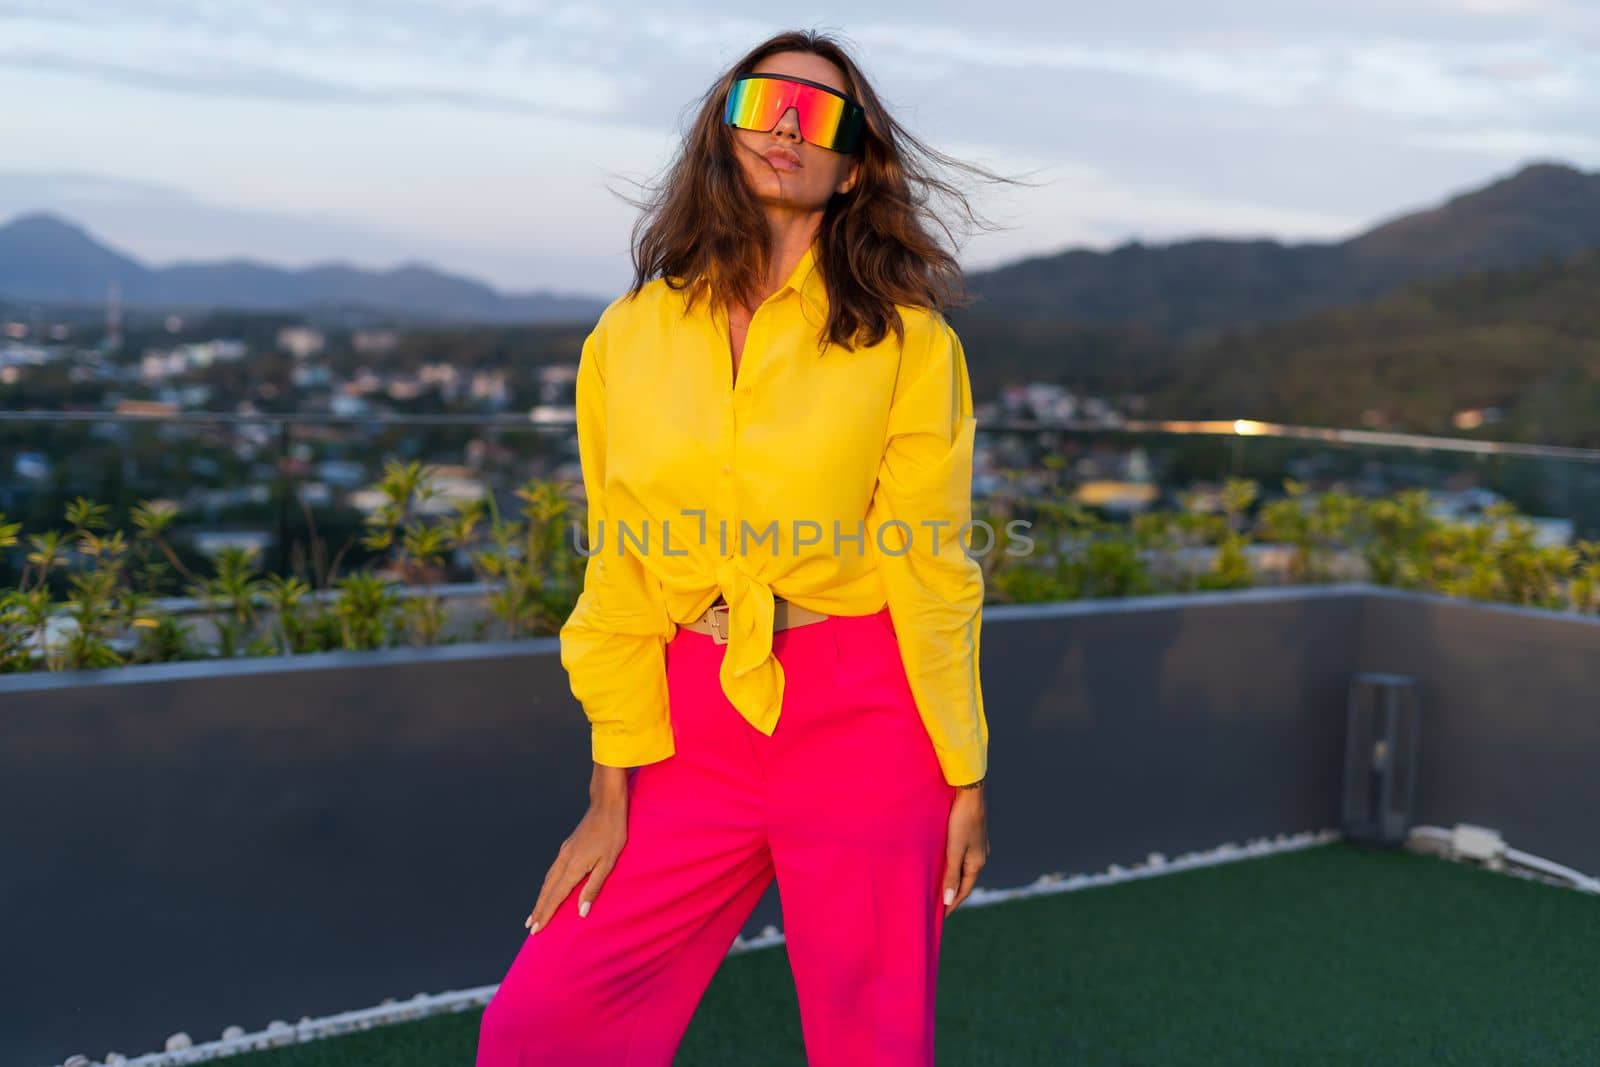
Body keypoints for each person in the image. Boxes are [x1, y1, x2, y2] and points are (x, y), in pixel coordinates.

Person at [477, 28, 1022, 1066]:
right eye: (761, 100)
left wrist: (965, 769)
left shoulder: (907, 342)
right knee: (543, 1023)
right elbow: (621, 563)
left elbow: (931, 562)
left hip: (866, 713)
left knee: (869, 1041)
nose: (784, 125)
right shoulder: (627, 336)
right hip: (692, 717)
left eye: (820, 115)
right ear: (720, 131)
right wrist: (609, 790)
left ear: (854, 164)